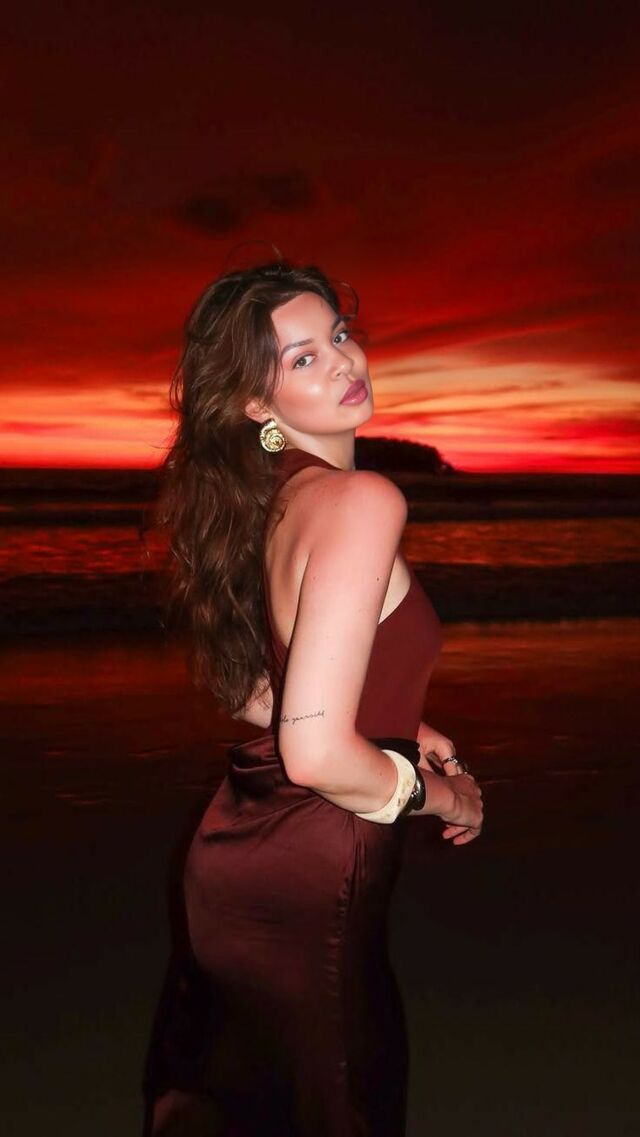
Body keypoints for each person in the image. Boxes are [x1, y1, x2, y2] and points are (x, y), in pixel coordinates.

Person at [142, 255, 483, 1136]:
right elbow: (318, 750)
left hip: (245, 848)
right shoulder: (360, 500)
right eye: (302, 358)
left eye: (337, 335)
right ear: (256, 404)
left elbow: (253, 686)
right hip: (313, 866)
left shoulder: (274, 500)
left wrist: (400, 719)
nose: (342, 361)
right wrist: (442, 794)